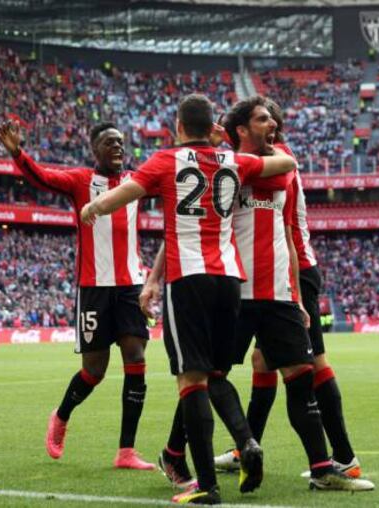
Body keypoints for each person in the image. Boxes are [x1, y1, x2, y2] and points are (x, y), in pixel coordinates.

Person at [81, 93, 297, 505]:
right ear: (211, 127)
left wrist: (93, 206)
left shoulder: (165, 161)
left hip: (189, 278)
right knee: (216, 375)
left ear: (179, 126)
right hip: (230, 279)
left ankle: (206, 486)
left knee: (191, 381)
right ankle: (247, 442)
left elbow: (124, 193)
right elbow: (285, 163)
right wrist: (239, 147)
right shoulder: (233, 161)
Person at [209, 96, 373, 492]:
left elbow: (260, 173)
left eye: (271, 120)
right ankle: (245, 446)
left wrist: (225, 148)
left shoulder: (281, 157)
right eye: (262, 120)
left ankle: (344, 457)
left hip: (293, 270)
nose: (271, 126)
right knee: (263, 360)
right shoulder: (262, 156)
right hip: (274, 275)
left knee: (310, 364)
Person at [0, 120, 155, 470]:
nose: (118, 148)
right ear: (94, 150)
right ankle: (61, 415)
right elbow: (42, 177)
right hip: (94, 288)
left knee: (136, 356)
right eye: (110, 143)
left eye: (120, 143)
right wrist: (17, 154)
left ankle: (126, 451)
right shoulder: (80, 180)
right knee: (94, 370)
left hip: (130, 285)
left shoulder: (137, 180)